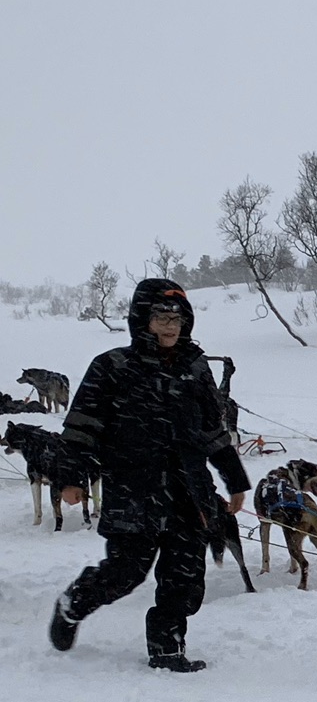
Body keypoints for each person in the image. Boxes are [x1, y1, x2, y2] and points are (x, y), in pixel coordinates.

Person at [48, 279, 251, 672]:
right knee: (125, 573)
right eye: (161, 316)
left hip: (189, 491)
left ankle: (167, 649)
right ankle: (74, 603)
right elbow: (81, 428)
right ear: (143, 319)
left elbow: (212, 430)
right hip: (133, 489)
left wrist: (235, 479)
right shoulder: (113, 367)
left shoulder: (195, 368)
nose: (170, 325)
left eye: (177, 317)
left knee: (184, 578)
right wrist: (71, 478)